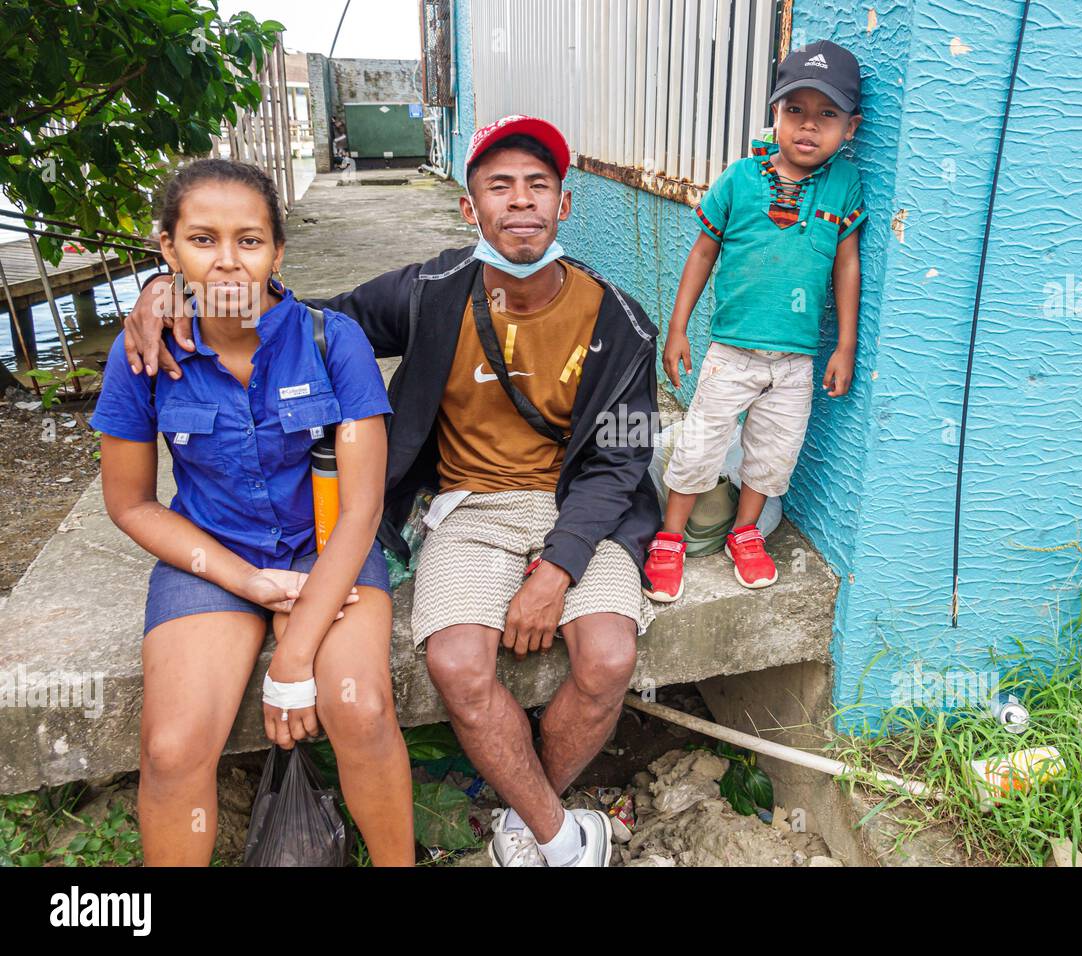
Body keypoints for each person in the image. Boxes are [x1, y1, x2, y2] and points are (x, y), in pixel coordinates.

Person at [120, 116, 661, 867]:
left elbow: (621, 461)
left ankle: (532, 812)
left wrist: (560, 565)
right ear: (470, 209)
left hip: (584, 510)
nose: (522, 203)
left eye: (539, 186)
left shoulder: (624, 323)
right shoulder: (432, 292)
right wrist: (166, 294)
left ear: (565, 205)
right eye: (498, 187)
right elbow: (292, 317)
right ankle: (557, 832)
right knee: (458, 665)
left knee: (605, 657)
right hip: (468, 508)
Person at [93, 159, 414, 866]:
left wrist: (293, 657)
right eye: (203, 240)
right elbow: (130, 502)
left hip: (329, 544)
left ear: (278, 251)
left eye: (250, 240)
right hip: (209, 555)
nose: (229, 262)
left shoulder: (334, 341)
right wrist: (249, 583)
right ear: (168, 250)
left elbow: (363, 508)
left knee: (359, 710)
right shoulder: (139, 354)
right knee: (172, 749)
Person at [645, 40, 866, 603]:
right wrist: (677, 328)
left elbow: (846, 263)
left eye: (827, 115)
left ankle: (745, 531)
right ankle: (670, 537)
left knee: (773, 454)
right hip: (731, 352)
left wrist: (844, 344)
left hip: (795, 360)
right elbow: (701, 253)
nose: (808, 127)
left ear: (851, 127)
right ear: (775, 114)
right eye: (795, 111)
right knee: (700, 443)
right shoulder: (740, 179)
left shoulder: (843, 187)